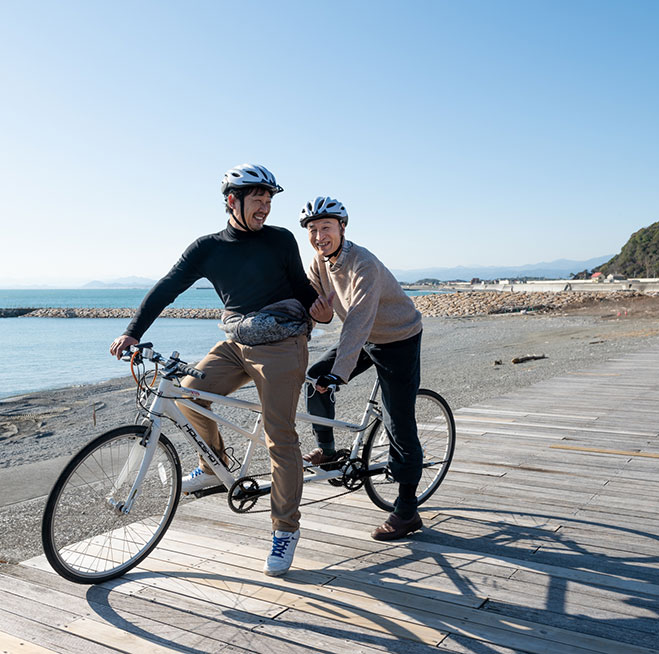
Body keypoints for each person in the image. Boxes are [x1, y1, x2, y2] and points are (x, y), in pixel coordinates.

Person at [109, 164, 318, 576]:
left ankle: (285, 529)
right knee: (187, 394)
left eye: (269, 199)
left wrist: (320, 307)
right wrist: (133, 332)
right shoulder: (207, 248)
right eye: (257, 199)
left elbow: (300, 285)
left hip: (281, 345)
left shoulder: (280, 239)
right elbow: (167, 287)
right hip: (236, 341)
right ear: (232, 201)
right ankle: (212, 465)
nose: (266, 206)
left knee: (280, 436)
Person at [300, 196, 426, 541]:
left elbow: (358, 317)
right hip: (363, 336)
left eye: (325, 227)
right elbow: (312, 303)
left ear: (342, 227)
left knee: (397, 420)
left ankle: (406, 509)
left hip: (398, 337)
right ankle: (327, 451)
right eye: (312, 229)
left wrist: (339, 373)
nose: (319, 235)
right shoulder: (319, 261)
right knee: (313, 377)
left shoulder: (363, 263)